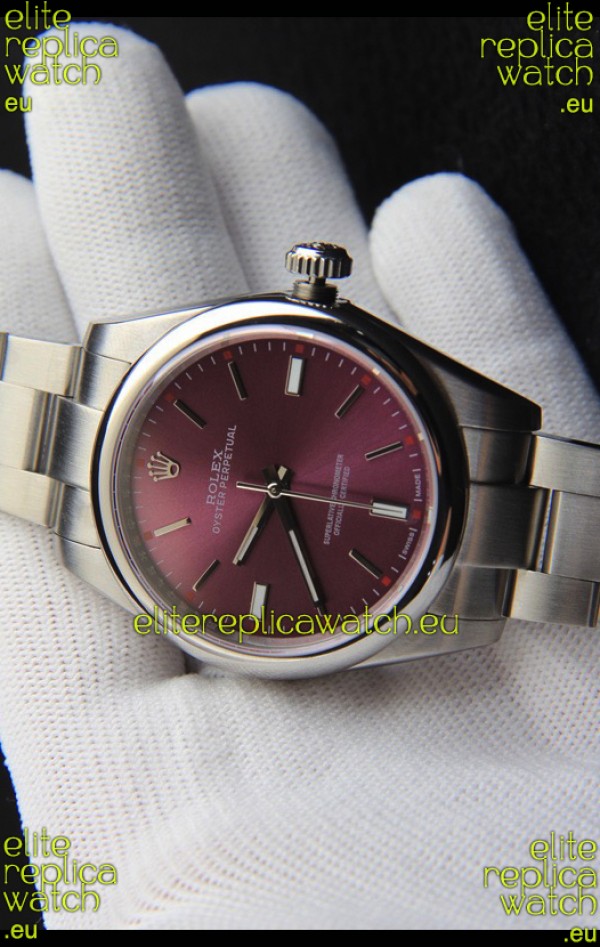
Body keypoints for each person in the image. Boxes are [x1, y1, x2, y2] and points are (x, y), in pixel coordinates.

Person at [0, 24, 598, 931]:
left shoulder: (468, 577)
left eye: (280, 481)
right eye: (271, 486)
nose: (275, 486)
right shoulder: (108, 506)